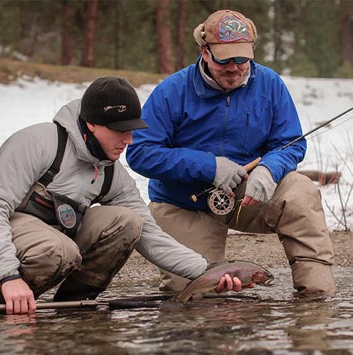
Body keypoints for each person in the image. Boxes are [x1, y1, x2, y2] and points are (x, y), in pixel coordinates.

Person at [0, 77, 244, 315]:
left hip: (46, 243)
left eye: (132, 130)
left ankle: (73, 309)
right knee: (58, 250)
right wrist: (9, 278)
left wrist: (209, 272)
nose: (129, 141)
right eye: (119, 130)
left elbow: (151, 236)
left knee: (128, 221)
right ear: (90, 124)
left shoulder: (112, 173)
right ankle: (8, 303)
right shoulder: (37, 142)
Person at [126, 10, 336, 295]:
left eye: (242, 59)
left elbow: (291, 143)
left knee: (300, 190)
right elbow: (140, 153)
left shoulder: (270, 84)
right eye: (225, 59)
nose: (234, 68)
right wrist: (209, 166)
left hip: (246, 195)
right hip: (184, 203)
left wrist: (269, 170)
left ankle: (317, 303)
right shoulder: (171, 91)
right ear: (205, 51)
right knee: (191, 296)